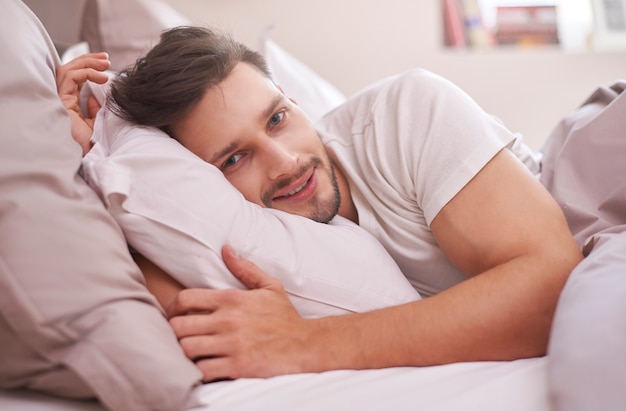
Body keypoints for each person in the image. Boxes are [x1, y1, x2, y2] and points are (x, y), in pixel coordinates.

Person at [58, 26, 583, 383]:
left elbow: (554, 287)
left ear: (292, 97)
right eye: (235, 158)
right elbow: (182, 312)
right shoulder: (246, 236)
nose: (285, 162)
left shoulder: (407, 113)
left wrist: (307, 343)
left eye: (277, 118)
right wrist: (80, 155)